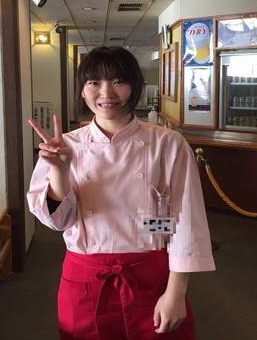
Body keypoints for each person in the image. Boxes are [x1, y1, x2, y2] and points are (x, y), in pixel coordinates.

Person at [27, 46, 215, 339]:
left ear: (135, 86)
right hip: (85, 280)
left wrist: (176, 293)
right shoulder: (64, 146)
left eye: (118, 81)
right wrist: (60, 172)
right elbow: (58, 222)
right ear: (82, 91)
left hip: (151, 279)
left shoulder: (168, 144)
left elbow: (185, 221)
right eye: (94, 82)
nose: (106, 93)